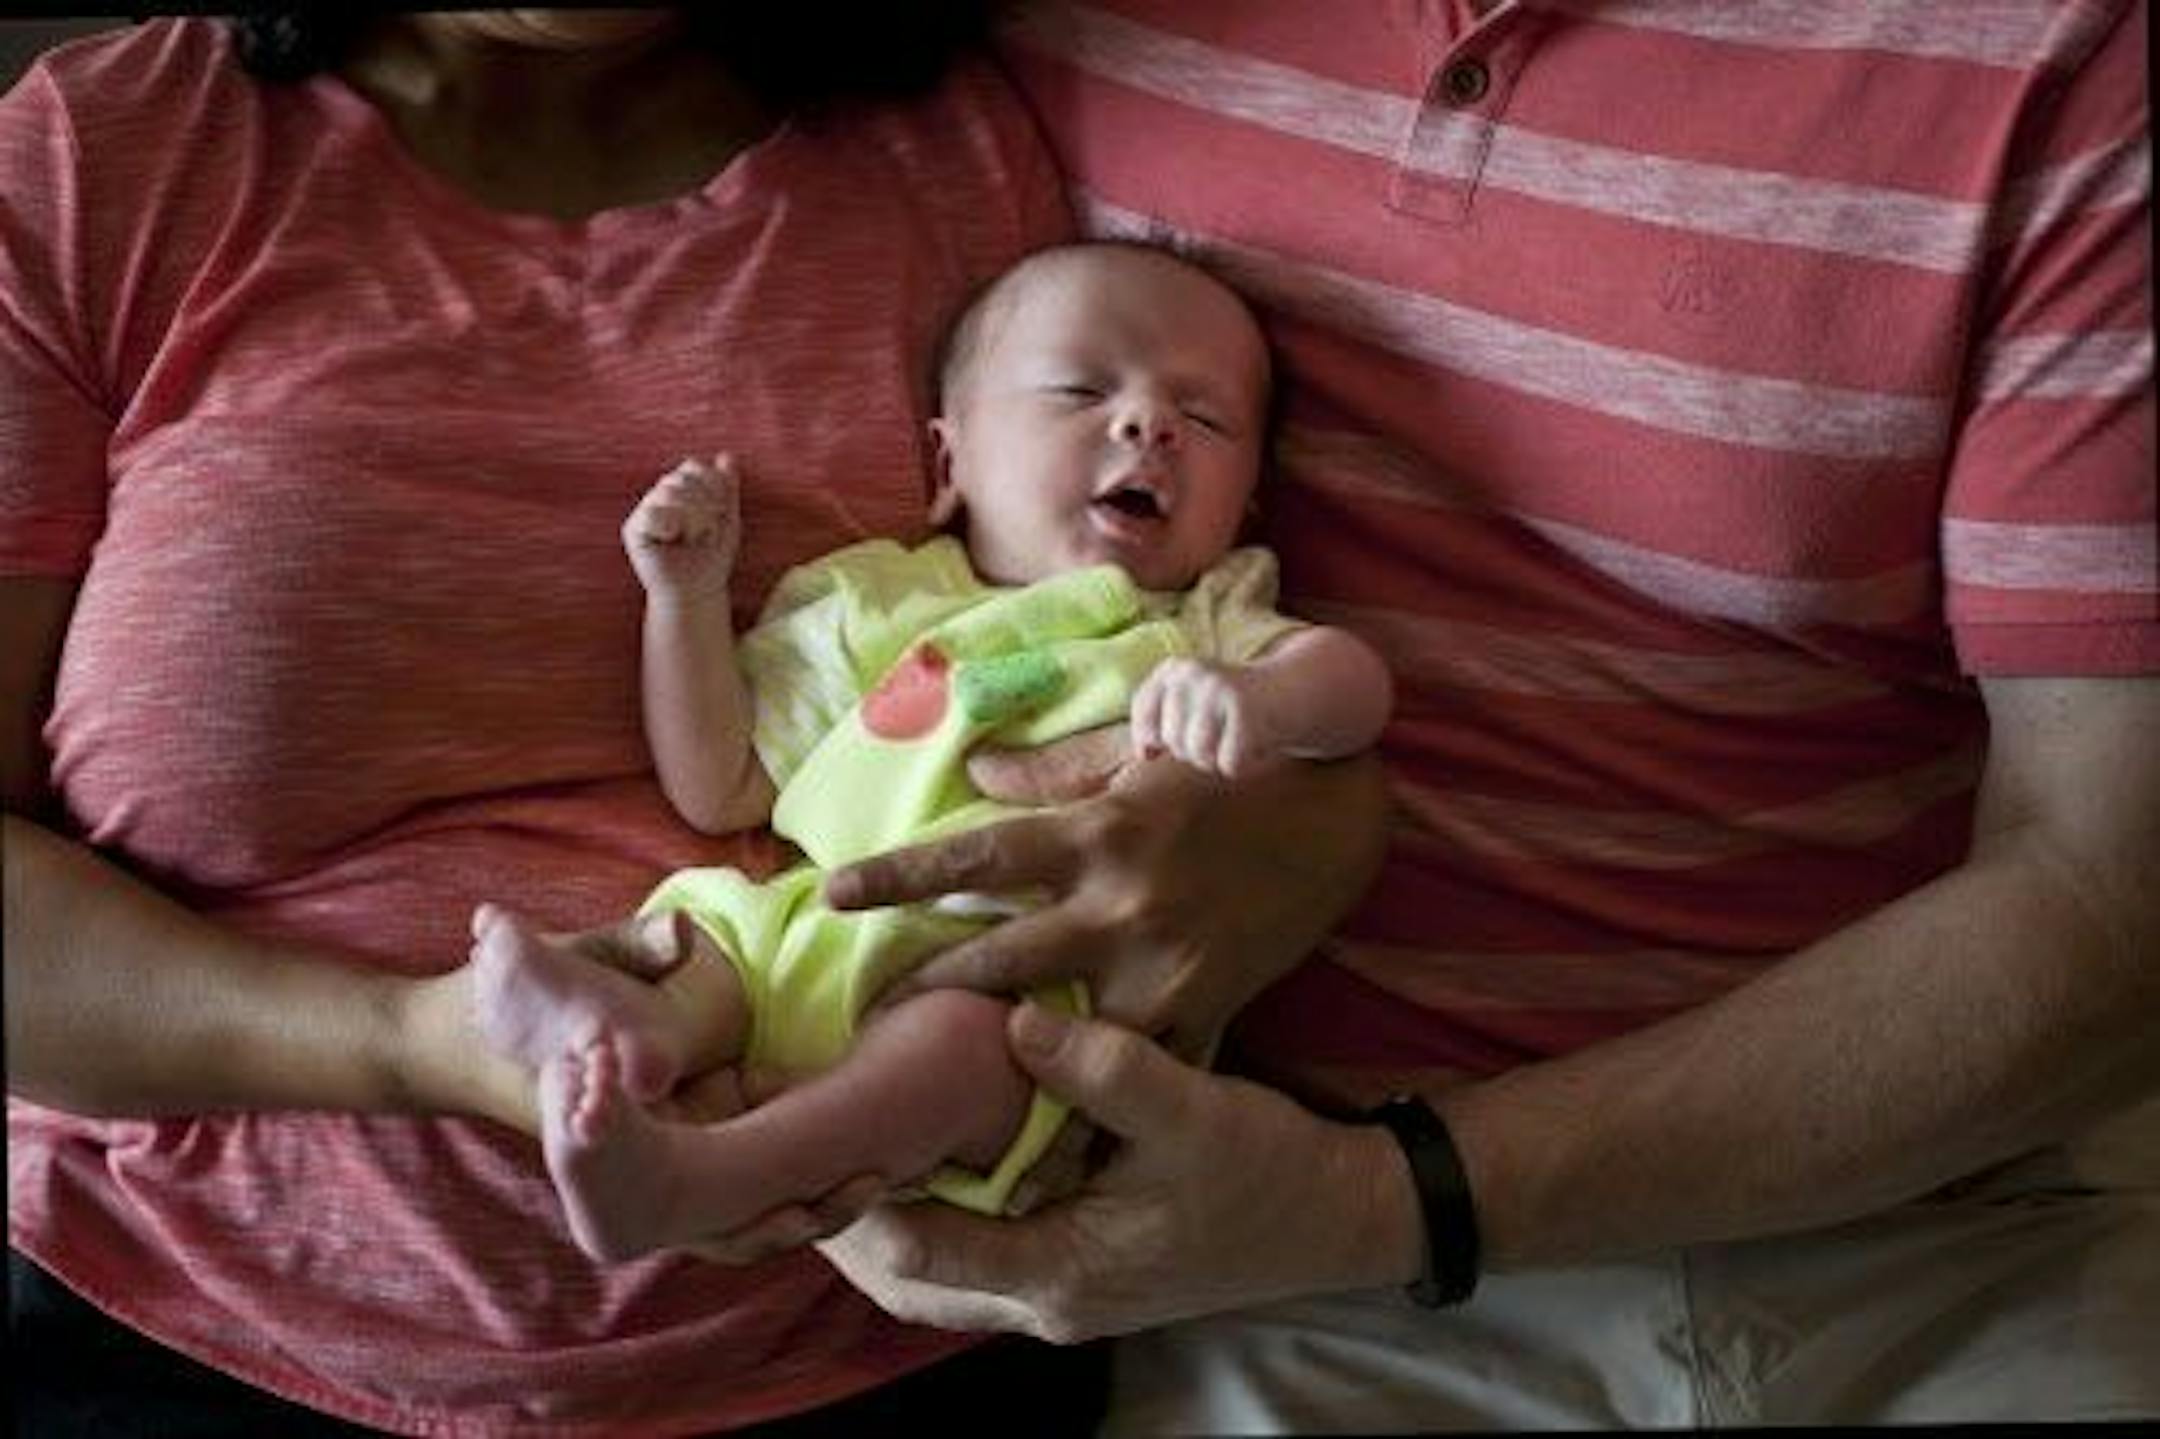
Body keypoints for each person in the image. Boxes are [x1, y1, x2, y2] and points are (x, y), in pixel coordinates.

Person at [0, 9, 1393, 1436]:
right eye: (1092, 399)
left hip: (891, 1328)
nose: (1140, 428)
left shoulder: (984, 133)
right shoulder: (108, 152)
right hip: (177, 1318)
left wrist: (1300, 837)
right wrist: (411, 1042)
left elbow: (1297, 708)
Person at [807, 0, 2160, 1430]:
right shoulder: (1039, 25)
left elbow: (2115, 888)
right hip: (1234, 1211)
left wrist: (1383, 1198)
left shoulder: (2068, 51)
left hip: (1923, 1208)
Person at [469, 240, 1395, 1264]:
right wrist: (683, 602)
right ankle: (626, 1037)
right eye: (1081, 389)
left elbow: (1356, 689)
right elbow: (720, 783)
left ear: (1247, 504)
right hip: (815, 929)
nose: (1149, 423)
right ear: (950, 464)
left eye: (1208, 418)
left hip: (1030, 1006)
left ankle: (707, 1177)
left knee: (954, 1048)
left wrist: (1265, 698)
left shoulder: (1206, 618)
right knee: (696, 929)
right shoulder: (875, 599)